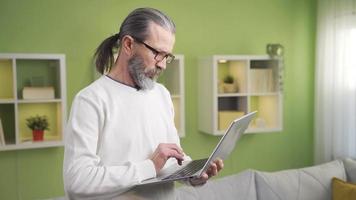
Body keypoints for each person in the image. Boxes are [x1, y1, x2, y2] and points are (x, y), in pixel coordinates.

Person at [63, 7, 224, 199]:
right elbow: (78, 180)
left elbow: (171, 160)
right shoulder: (90, 100)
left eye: (167, 57)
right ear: (129, 44)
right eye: (158, 53)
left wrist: (193, 174)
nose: (162, 64)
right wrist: (150, 166)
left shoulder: (162, 94)